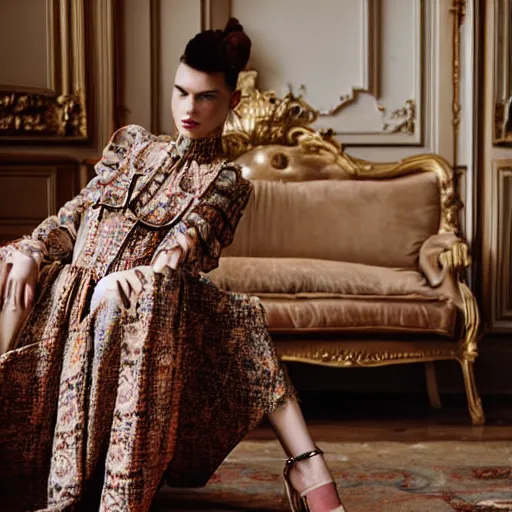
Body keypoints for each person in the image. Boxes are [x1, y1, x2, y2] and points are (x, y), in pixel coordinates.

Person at [0, 19, 346, 512]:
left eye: (205, 97)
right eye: (181, 92)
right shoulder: (133, 145)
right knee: (10, 264)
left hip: (136, 313)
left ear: (232, 102)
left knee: (232, 315)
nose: (188, 108)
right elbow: (72, 217)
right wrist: (32, 250)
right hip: (63, 292)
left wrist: (130, 277)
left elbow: (180, 252)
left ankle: (306, 466)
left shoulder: (224, 180)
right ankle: (308, 469)